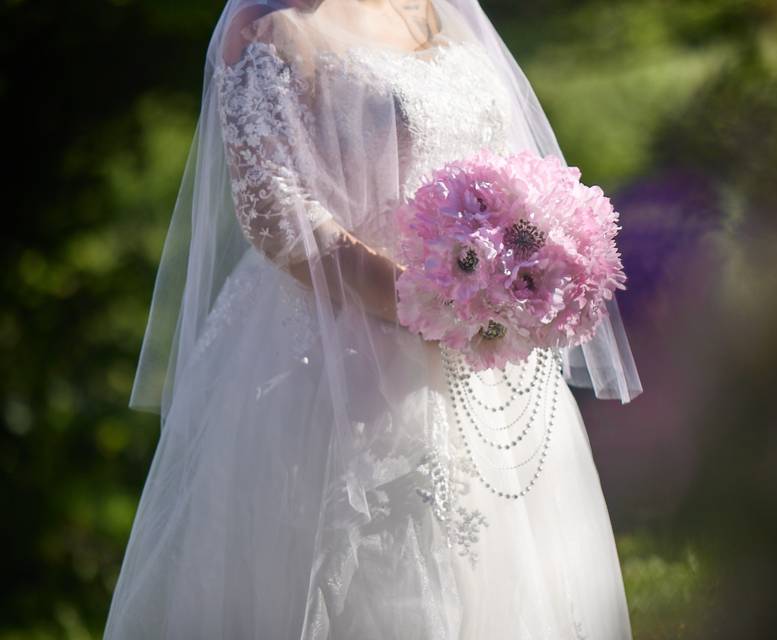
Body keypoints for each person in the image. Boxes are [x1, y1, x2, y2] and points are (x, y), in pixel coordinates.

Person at [105, 1, 642, 637]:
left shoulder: (429, 9)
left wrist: (517, 271)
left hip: (478, 344)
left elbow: (504, 162)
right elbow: (273, 210)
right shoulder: (270, 25)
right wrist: (424, 300)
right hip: (334, 354)